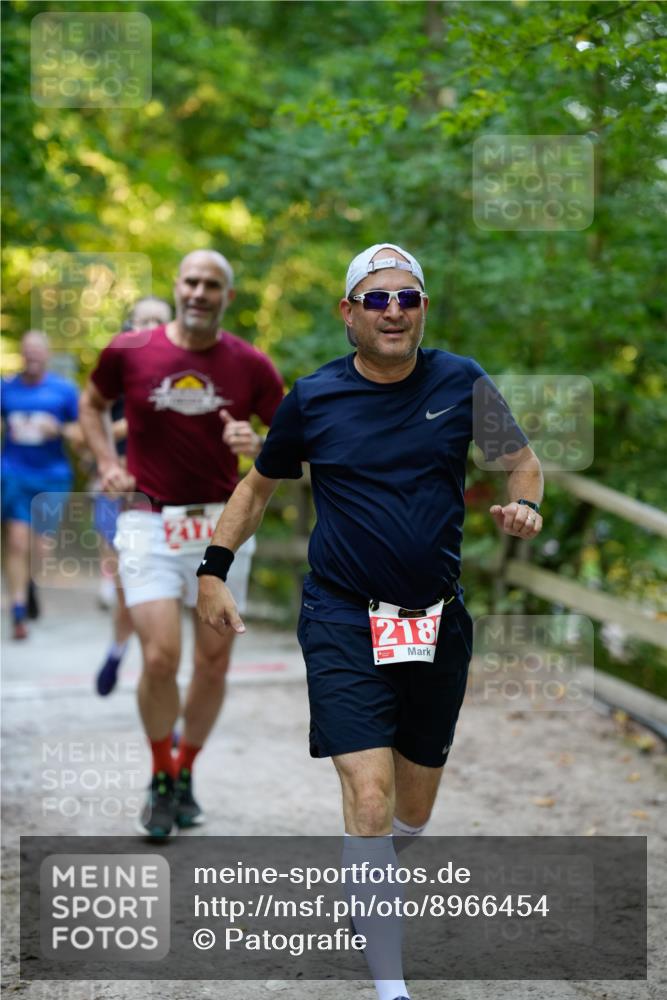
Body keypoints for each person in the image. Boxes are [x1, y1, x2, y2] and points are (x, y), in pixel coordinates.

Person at [197, 244, 544, 1000]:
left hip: (433, 622)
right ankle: (391, 986)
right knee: (371, 797)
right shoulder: (314, 397)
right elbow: (256, 491)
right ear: (348, 312)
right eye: (377, 298)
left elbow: (519, 462)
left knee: (410, 812)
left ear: (421, 310)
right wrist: (212, 572)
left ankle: (367, 877)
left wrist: (526, 503)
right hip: (342, 618)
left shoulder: (462, 382)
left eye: (408, 299)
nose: (394, 311)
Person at [79, 251, 284, 837]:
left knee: (213, 666)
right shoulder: (130, 352)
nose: (199, 291)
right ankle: (161, 775)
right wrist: (106, 461)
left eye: (212, 284)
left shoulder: (251, 365)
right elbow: (91, 405)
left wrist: (258, 440)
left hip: (224, 526)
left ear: (227, 295)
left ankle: (186, 770)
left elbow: (293, 442)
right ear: (176, 286)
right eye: (191, 281)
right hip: (147, 517)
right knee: (161, 656)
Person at [93, 296, 174, 697]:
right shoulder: (116, 369)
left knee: (153, 597)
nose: (151, 328)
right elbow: (88, 426)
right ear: (130, 326)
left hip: (166, 498)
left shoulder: (184, 370)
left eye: (159, 321)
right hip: (120, 489)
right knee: (131, 590)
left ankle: (149, 672)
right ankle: (120, 648)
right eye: (144, 321)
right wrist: (109, 461)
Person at [2, 331, 81, 640]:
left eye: (37, 352)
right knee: (17, 541)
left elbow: (80, 433)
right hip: (14, 474)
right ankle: (18, 610)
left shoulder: (64, 391)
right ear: (22, 355)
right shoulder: (6, 389)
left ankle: (30, 582)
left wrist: (58, 428)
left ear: (46, 355)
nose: (32, 357)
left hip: (52, 477)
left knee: (41, 546)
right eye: (27, 352)